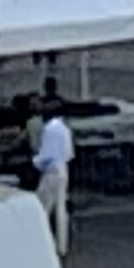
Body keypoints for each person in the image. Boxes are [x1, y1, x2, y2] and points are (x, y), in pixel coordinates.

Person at [34, 97, 76, 256]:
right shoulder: (65, 129)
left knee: (42, 207)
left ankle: (45, 243)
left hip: (51, 170)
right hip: (63, 169)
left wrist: (35, 162)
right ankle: (62, 245)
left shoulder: (49, 130)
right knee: (61, 208)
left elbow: (46, 154)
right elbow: (69, 153)